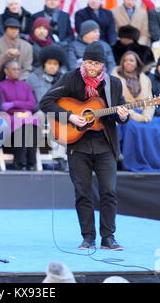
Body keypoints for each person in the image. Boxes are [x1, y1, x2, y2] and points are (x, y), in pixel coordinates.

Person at [40, 42, 130, 250]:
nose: (91, 67)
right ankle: (88, 237)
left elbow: (119, 114)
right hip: (77, 144)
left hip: (105, 144)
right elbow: (45, 102)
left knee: (109, 191)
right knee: (83, 192)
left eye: (96, 63)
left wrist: (123, 116)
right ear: (83, 61)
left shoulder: (113, 84)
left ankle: (108, 237)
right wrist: (70, 116)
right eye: (89, 62)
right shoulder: (71, 78)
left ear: (102, 65)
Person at [27, 44, 68, 171]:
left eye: (55, 64)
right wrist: (35, 108)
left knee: (60, 119)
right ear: (44, 63)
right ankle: (32, 158)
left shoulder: (64, 79)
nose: (52, 66)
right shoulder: (33, 77)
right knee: (37, 118)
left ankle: (60, 158)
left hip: (57, 111)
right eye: (49, 63)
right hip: (39, 110)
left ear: (59, 66)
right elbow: (28, 97)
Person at [0, 60, 40, 171]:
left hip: (25, 117)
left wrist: (13, 103)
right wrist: (20, 108)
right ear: (6, 71)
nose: (17, 71)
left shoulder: (26, 86)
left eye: (18, 69)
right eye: (14, 69)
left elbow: (32, 104)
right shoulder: (1, 86)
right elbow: (3, 106)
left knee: (32, 124)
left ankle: (32, 162)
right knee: (23, 126)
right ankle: (20, 162)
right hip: (10, 119)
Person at [111, 51, 154, 123]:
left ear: (137, 63)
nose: (128, 62)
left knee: (159, 125)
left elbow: (150, 100)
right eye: (125, 60)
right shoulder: (115, 79)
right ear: (122, 63)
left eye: (131, 60)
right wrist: (135, 116)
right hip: (124, 115)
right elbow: (115, 102)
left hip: (143, 113)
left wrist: (146, 116)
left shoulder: (145, 79)